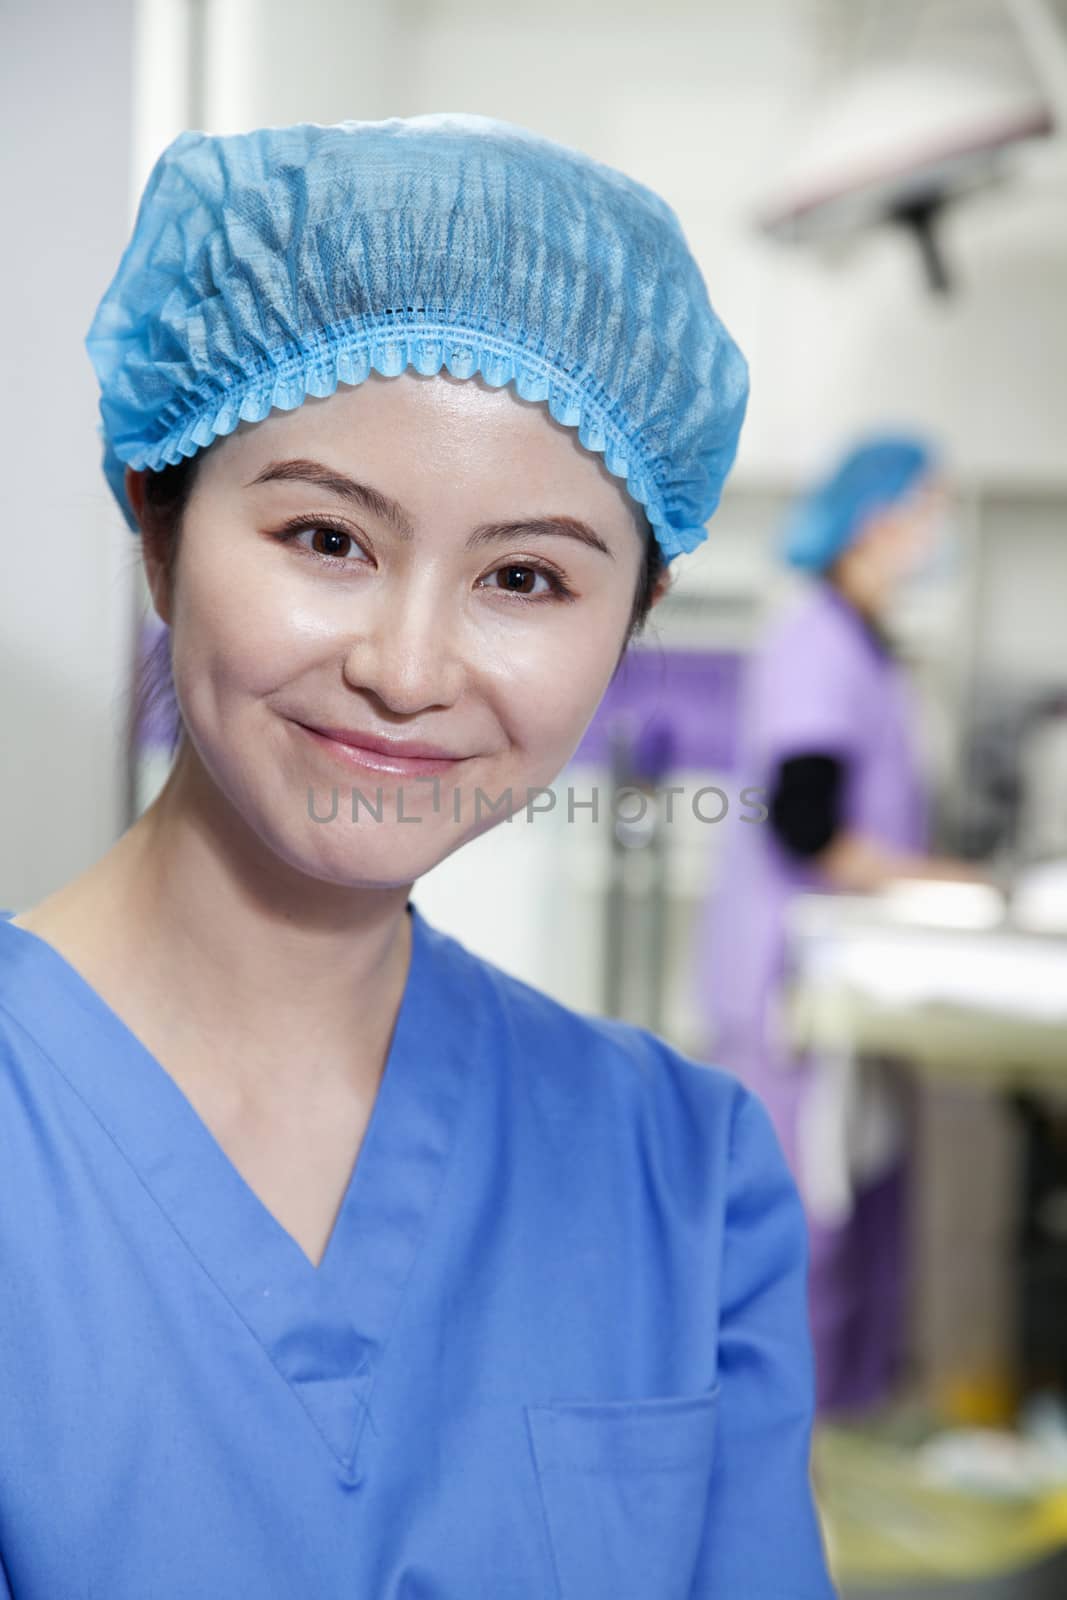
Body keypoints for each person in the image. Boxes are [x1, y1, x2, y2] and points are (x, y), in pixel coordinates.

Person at [0, 115, 837, 1599]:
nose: (406, 667)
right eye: (327, 539)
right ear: (157, 526)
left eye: (523, 577)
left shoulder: (682, 1180)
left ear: (628, 625)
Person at [694, 434, 988, 1419]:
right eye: (925, 512)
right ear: (874, 518)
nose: (932, 536)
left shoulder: (864, 640)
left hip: (847, 982)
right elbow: (806, 818)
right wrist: (937, 883)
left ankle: (837, 1437)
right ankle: (768, 1455)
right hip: (788, 983)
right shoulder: (811, 636)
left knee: (862, 1211)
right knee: (794, 1227)